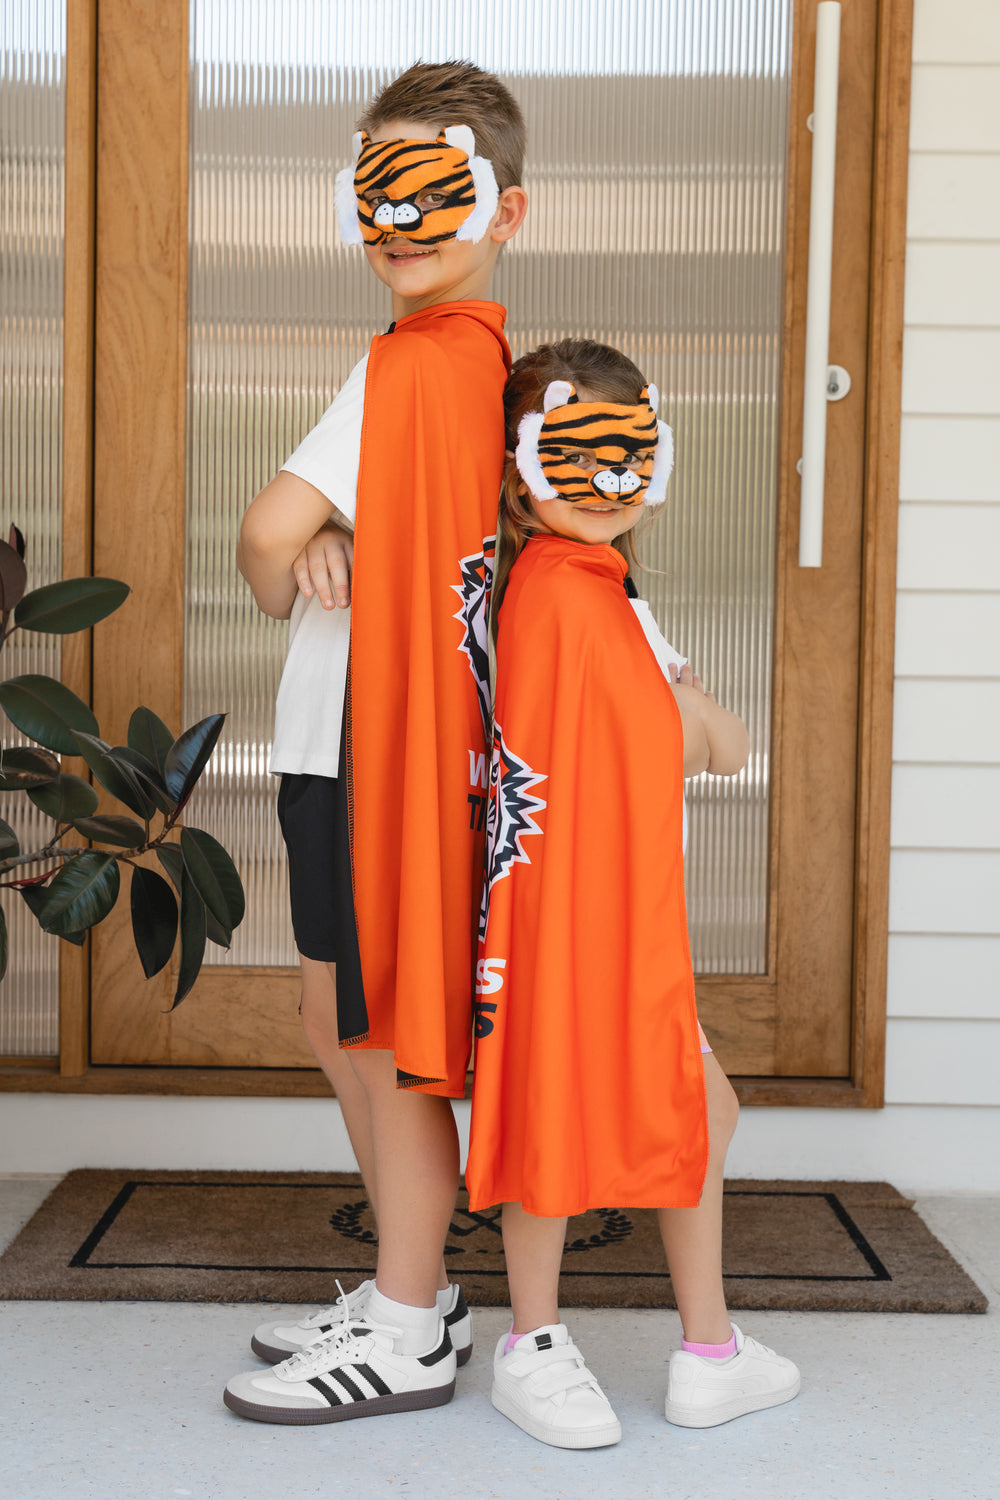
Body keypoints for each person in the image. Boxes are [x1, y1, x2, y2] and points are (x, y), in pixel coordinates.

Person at [224, 61, 528, 1425]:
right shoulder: (466, 370)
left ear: (505, 211)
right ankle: (422, 1285)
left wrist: (317, 535)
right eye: (377, 193)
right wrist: (353, 530)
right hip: (349, 739)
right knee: (334, 1016)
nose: (398, 221)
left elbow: (264, 545)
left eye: (431, 192)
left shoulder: (416, 364)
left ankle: (408, 1318)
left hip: (364, 745)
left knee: (375, 1026)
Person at [464, 338, 800, 1449]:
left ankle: (707, 1348)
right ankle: (540, 1341)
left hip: (608, 911)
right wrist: (694, 704)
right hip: (577, 919)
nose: (608, 486)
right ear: (522, 471)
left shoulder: (597, 596)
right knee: (569, 1114)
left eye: (629, 456)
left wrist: (693, 710)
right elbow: (695, 738)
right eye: (577, 457)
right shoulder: (563, 599)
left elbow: (709, 743)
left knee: (695, 1109)